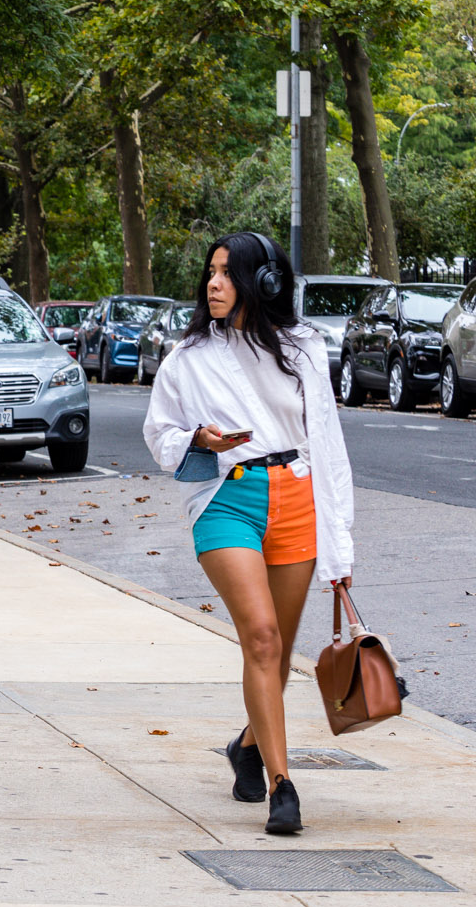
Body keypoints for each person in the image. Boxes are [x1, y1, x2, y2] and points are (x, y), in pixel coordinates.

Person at [143, 231, 354, 836]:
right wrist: (198, 441)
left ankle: (246, 745)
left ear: (262, 282)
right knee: (260, 639)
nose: (213, 284)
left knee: (282, 653)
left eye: (227, 274)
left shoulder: (305, 348)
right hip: (226, 498)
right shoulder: (188, 358)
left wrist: (341, 542)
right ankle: (282, 786)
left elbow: (330, 448)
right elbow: (160, 436)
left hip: (297, 496)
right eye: (210, 272)